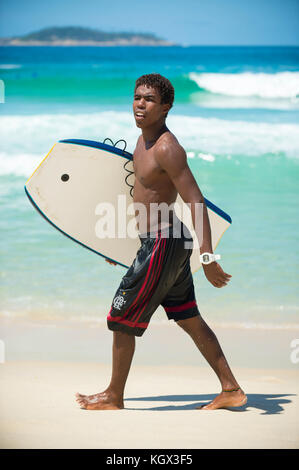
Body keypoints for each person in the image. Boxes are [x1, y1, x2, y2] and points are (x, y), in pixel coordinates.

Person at [75, 73, 247, 411]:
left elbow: (196, 200)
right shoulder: (142, 140)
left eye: (149, 99)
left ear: (166, 107)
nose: (140, 104)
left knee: (121, 317)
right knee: (188, 317)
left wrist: (208, 257)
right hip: (161, 242)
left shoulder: (167, 148)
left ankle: (113, 395)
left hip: (164, 243)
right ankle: (231, 390)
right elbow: (144, 200)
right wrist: (118, 245)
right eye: (137, 97)